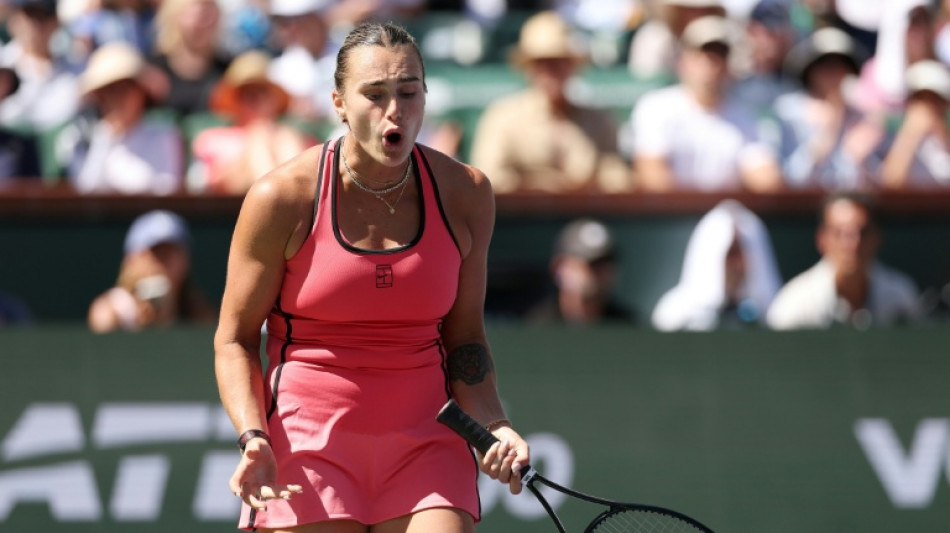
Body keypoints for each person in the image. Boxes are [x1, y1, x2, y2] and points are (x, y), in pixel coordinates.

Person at [213, 21, 529, 533]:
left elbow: (466, 337)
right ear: (339, 102)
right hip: (306, 443)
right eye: (374, 94)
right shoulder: (281, 198)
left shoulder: (467, 193)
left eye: (409, 92)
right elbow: (235, 339)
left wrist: (496, 425)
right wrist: (254, 437)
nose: (394, 110)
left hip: (428, 441)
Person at [468, 10, 632, 194]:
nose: (552, 71)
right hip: (522, 220)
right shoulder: (502, 118)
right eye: (543, 63)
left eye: (560, 61)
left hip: (586, 218)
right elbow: (489, 177)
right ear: (529, 68)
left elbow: (619, 178)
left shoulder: (599, 121)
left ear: (571, 66)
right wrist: (546, 184)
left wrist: (584, 185)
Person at [630, 15, 782, 192]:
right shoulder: (656, 107)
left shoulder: (744, 115)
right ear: (683, 61)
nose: (710, 66)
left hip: (725, 213)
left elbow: (766, 179)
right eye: (702, 55)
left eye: (719, 57)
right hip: (670, 217)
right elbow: (652, 175)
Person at [766, 192, 923, 330]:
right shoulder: (794, 305)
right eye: (840, 233)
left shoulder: (902, 297)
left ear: (877, 238)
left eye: (863, 232)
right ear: (822, 240)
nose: (853, 243)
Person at [771, 26, 883, 189]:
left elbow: (874, 183)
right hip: (800, 209)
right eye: (826, 65)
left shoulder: (860, 116)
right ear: (810, 69)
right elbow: (791, 178)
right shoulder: (788, 111)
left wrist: (860, 159)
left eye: (841, 65)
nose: (833, 73)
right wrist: (826, 135)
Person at [65, 41, 184, 194]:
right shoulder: (87, 136)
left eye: (123, 89)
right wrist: (104, 140)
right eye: (108, 92)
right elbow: (86, 193)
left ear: (141, 92)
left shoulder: (164, 135)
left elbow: (167, 188)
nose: (116, 99)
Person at [190, 49, 316, 194]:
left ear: (274, 98)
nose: (255, 99)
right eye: (246, 93)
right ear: (235, 99)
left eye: (262, 91)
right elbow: (203, 183)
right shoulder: (212, 139)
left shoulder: (295, 138)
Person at [652, 199, 782, 331]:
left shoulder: (778, 315)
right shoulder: (674, 316)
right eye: (732, 254)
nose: (739, 265)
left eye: (745, 254)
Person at [88, 210, 217, 333]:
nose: (163, 262)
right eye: (155, 252)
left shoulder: (200, 315)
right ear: (131, 260)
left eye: (171, 252)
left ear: (186, 260)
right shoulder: (112, 311)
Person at [526, 218, 635, 325]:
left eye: (606, 262)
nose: (599, 272)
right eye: (591, 264)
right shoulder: (540, 325)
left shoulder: (625, 325)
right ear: (559, 268)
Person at [149, 0, 230, 118]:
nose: (202, 24)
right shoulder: (152, 71)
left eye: (208, 16)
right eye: (198, 16)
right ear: (175, 17)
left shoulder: (228, 71)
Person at [880, 59, 950, 188]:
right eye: (920, 98)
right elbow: (891, 181)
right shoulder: (891, 132)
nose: (928, 105)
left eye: (934, 99)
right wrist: (912, 132)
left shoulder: (945, 135)